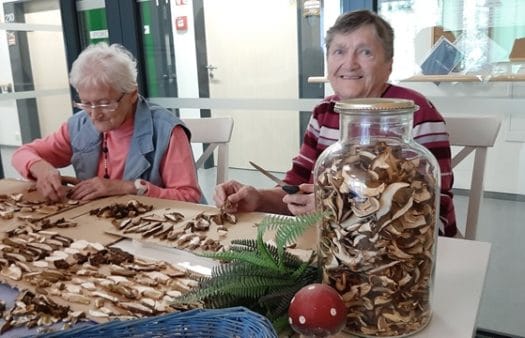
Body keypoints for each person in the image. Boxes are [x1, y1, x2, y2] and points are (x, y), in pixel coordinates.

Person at [214, 10, 457, 237]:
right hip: (334, 245)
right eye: (339, 51)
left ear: (389, 64)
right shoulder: (324, 112)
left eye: (365, 52)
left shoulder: (417, 114)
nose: (349, 64)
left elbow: (434, 212)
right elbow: (297, 188)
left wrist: (335, 211)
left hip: (404, 260)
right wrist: (259, 198)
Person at [11, 42, 202, 203]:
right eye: (86, 103)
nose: (95, 115)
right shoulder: (79, 125)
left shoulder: (166, 131)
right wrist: (41, 168)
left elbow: (189, 197)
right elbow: (22, 154)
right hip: (98, 225)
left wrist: (129, 188)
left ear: (132, 94)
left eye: (105, 103)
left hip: (157, 229)